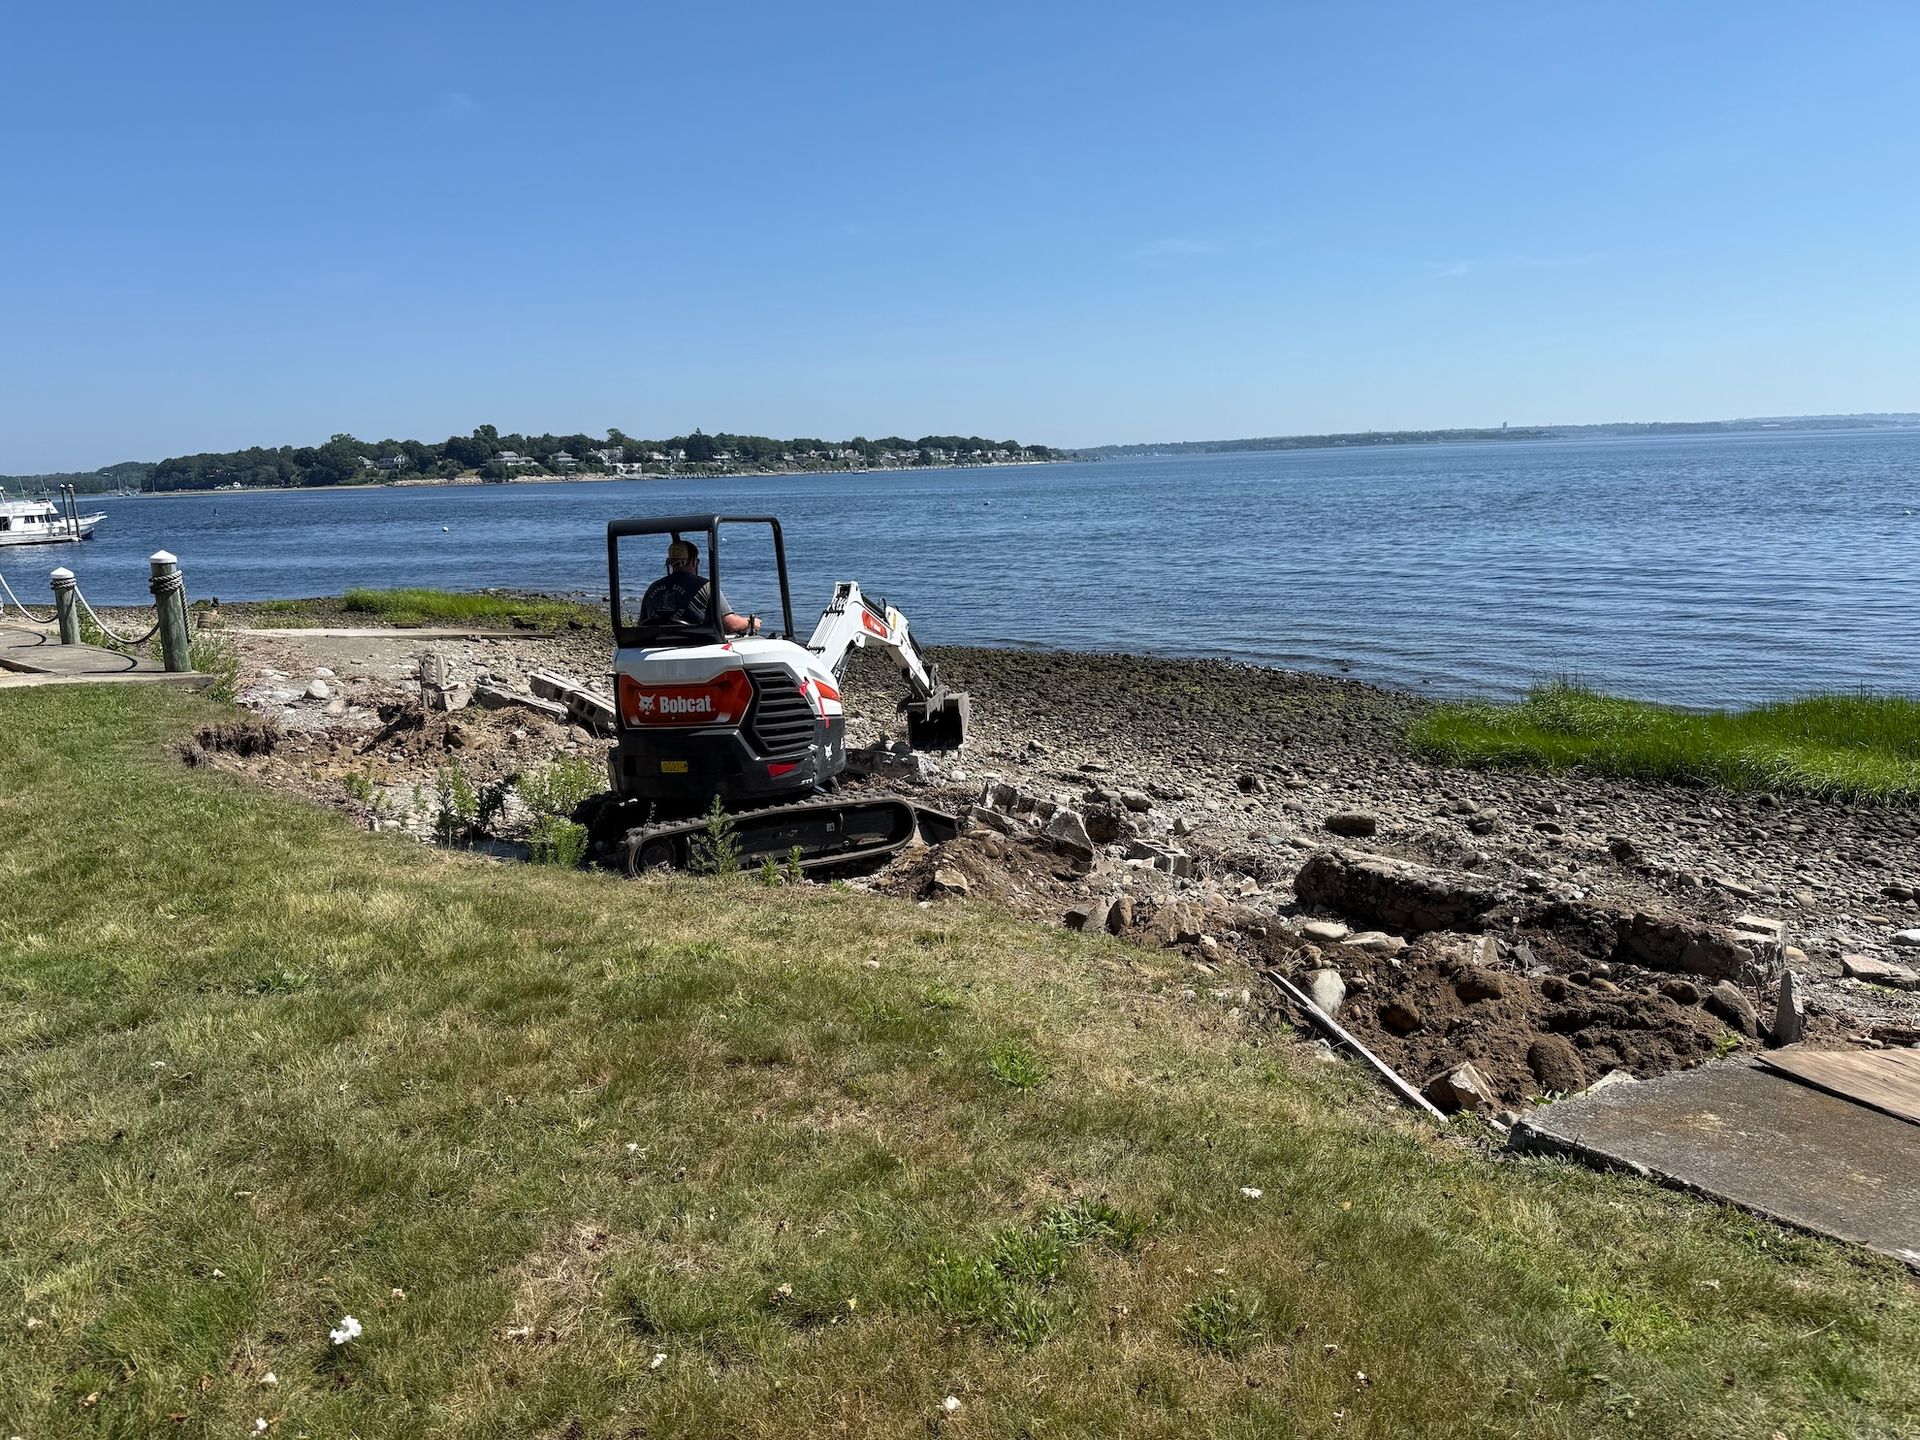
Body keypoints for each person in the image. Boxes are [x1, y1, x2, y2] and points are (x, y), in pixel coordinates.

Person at [638, 538, 758, 635]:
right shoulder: (706, 587)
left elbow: (642, 624)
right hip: (695, 647)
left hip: (656, 645)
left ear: (670, 563)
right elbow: (730, 624)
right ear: (694, 561)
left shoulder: (653, 588)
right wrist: (750, 622)